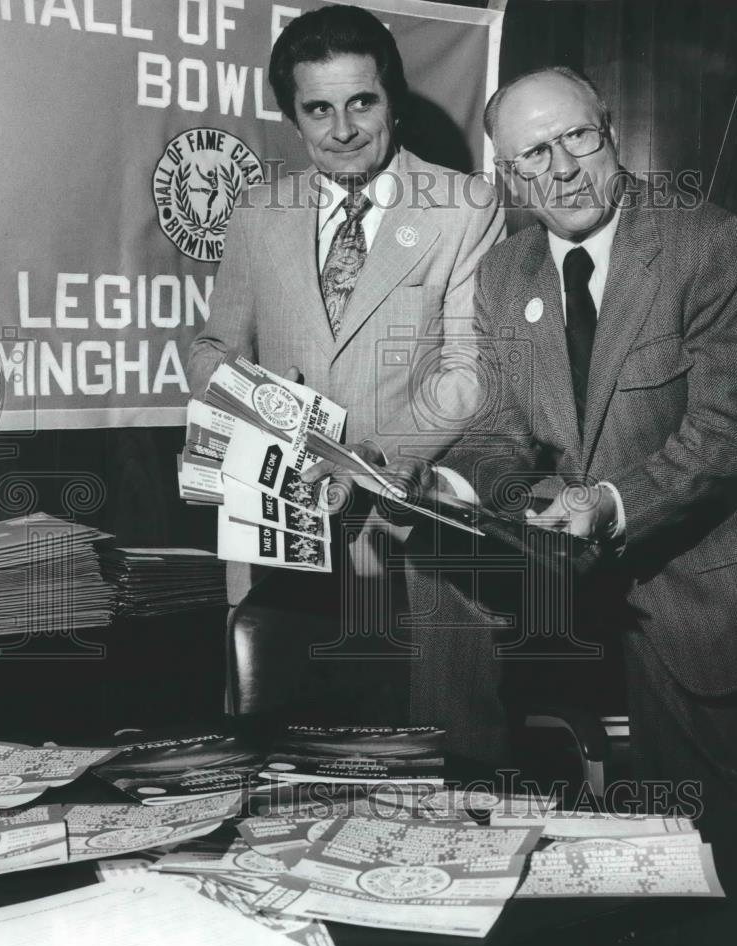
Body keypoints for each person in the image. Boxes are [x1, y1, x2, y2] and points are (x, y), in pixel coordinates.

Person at [396, 66, 737, 946]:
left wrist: (606, 504)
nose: (563, 169)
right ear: (508, 174)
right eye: (534, 153)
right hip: (564, 573)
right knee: (588, 843)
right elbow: (497, 431)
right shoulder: (504, 272)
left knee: (718, 843)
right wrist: (463, 483)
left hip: (697, 582)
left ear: (610, 134)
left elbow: (728, 434)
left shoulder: (707, 243)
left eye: (578, 139)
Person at [187, 5, 503, 720]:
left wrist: (363, 461)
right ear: (294, 118)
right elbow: (212, 350)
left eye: (362, 102)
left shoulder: (464, 205)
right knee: (283, 747)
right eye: (318, 109)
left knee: (421, 754)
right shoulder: (258, 210)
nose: (343, 130)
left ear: (391, 99)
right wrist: (256, 396)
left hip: (405, 527)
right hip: (281, 531)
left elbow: (472, 373)